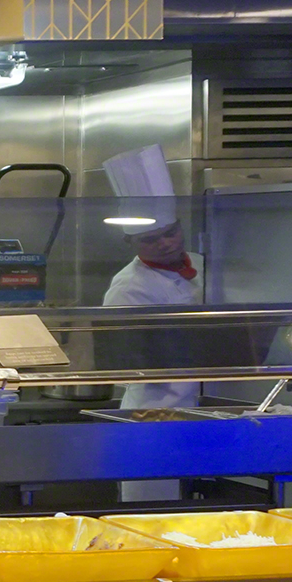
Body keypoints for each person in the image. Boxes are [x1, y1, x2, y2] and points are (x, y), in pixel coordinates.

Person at [100, 145, 203, 502]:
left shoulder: (206, 265)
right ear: (130, 241)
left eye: (170, 232)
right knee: (152, 504)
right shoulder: (128, 288)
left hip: (204, 409)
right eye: (150, 238)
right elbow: (122, 360)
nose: (164, 243)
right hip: (154, 410)